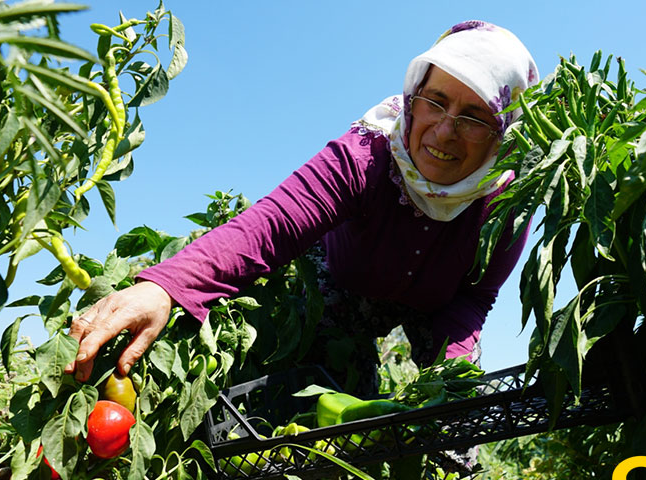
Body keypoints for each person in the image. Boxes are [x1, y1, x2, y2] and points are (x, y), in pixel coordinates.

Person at [66, 20, 539, 393]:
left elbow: (476, 296)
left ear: (504, 129)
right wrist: (165, 288)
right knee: (330, 387)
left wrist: (449, 372)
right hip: (342, 287)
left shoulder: (508, 202)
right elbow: (270, 225)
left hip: (434, 309)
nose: (442, 131)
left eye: (475, 118)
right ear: (414, 97)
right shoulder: (369, 153)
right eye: (434, 101)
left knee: (455, 410)